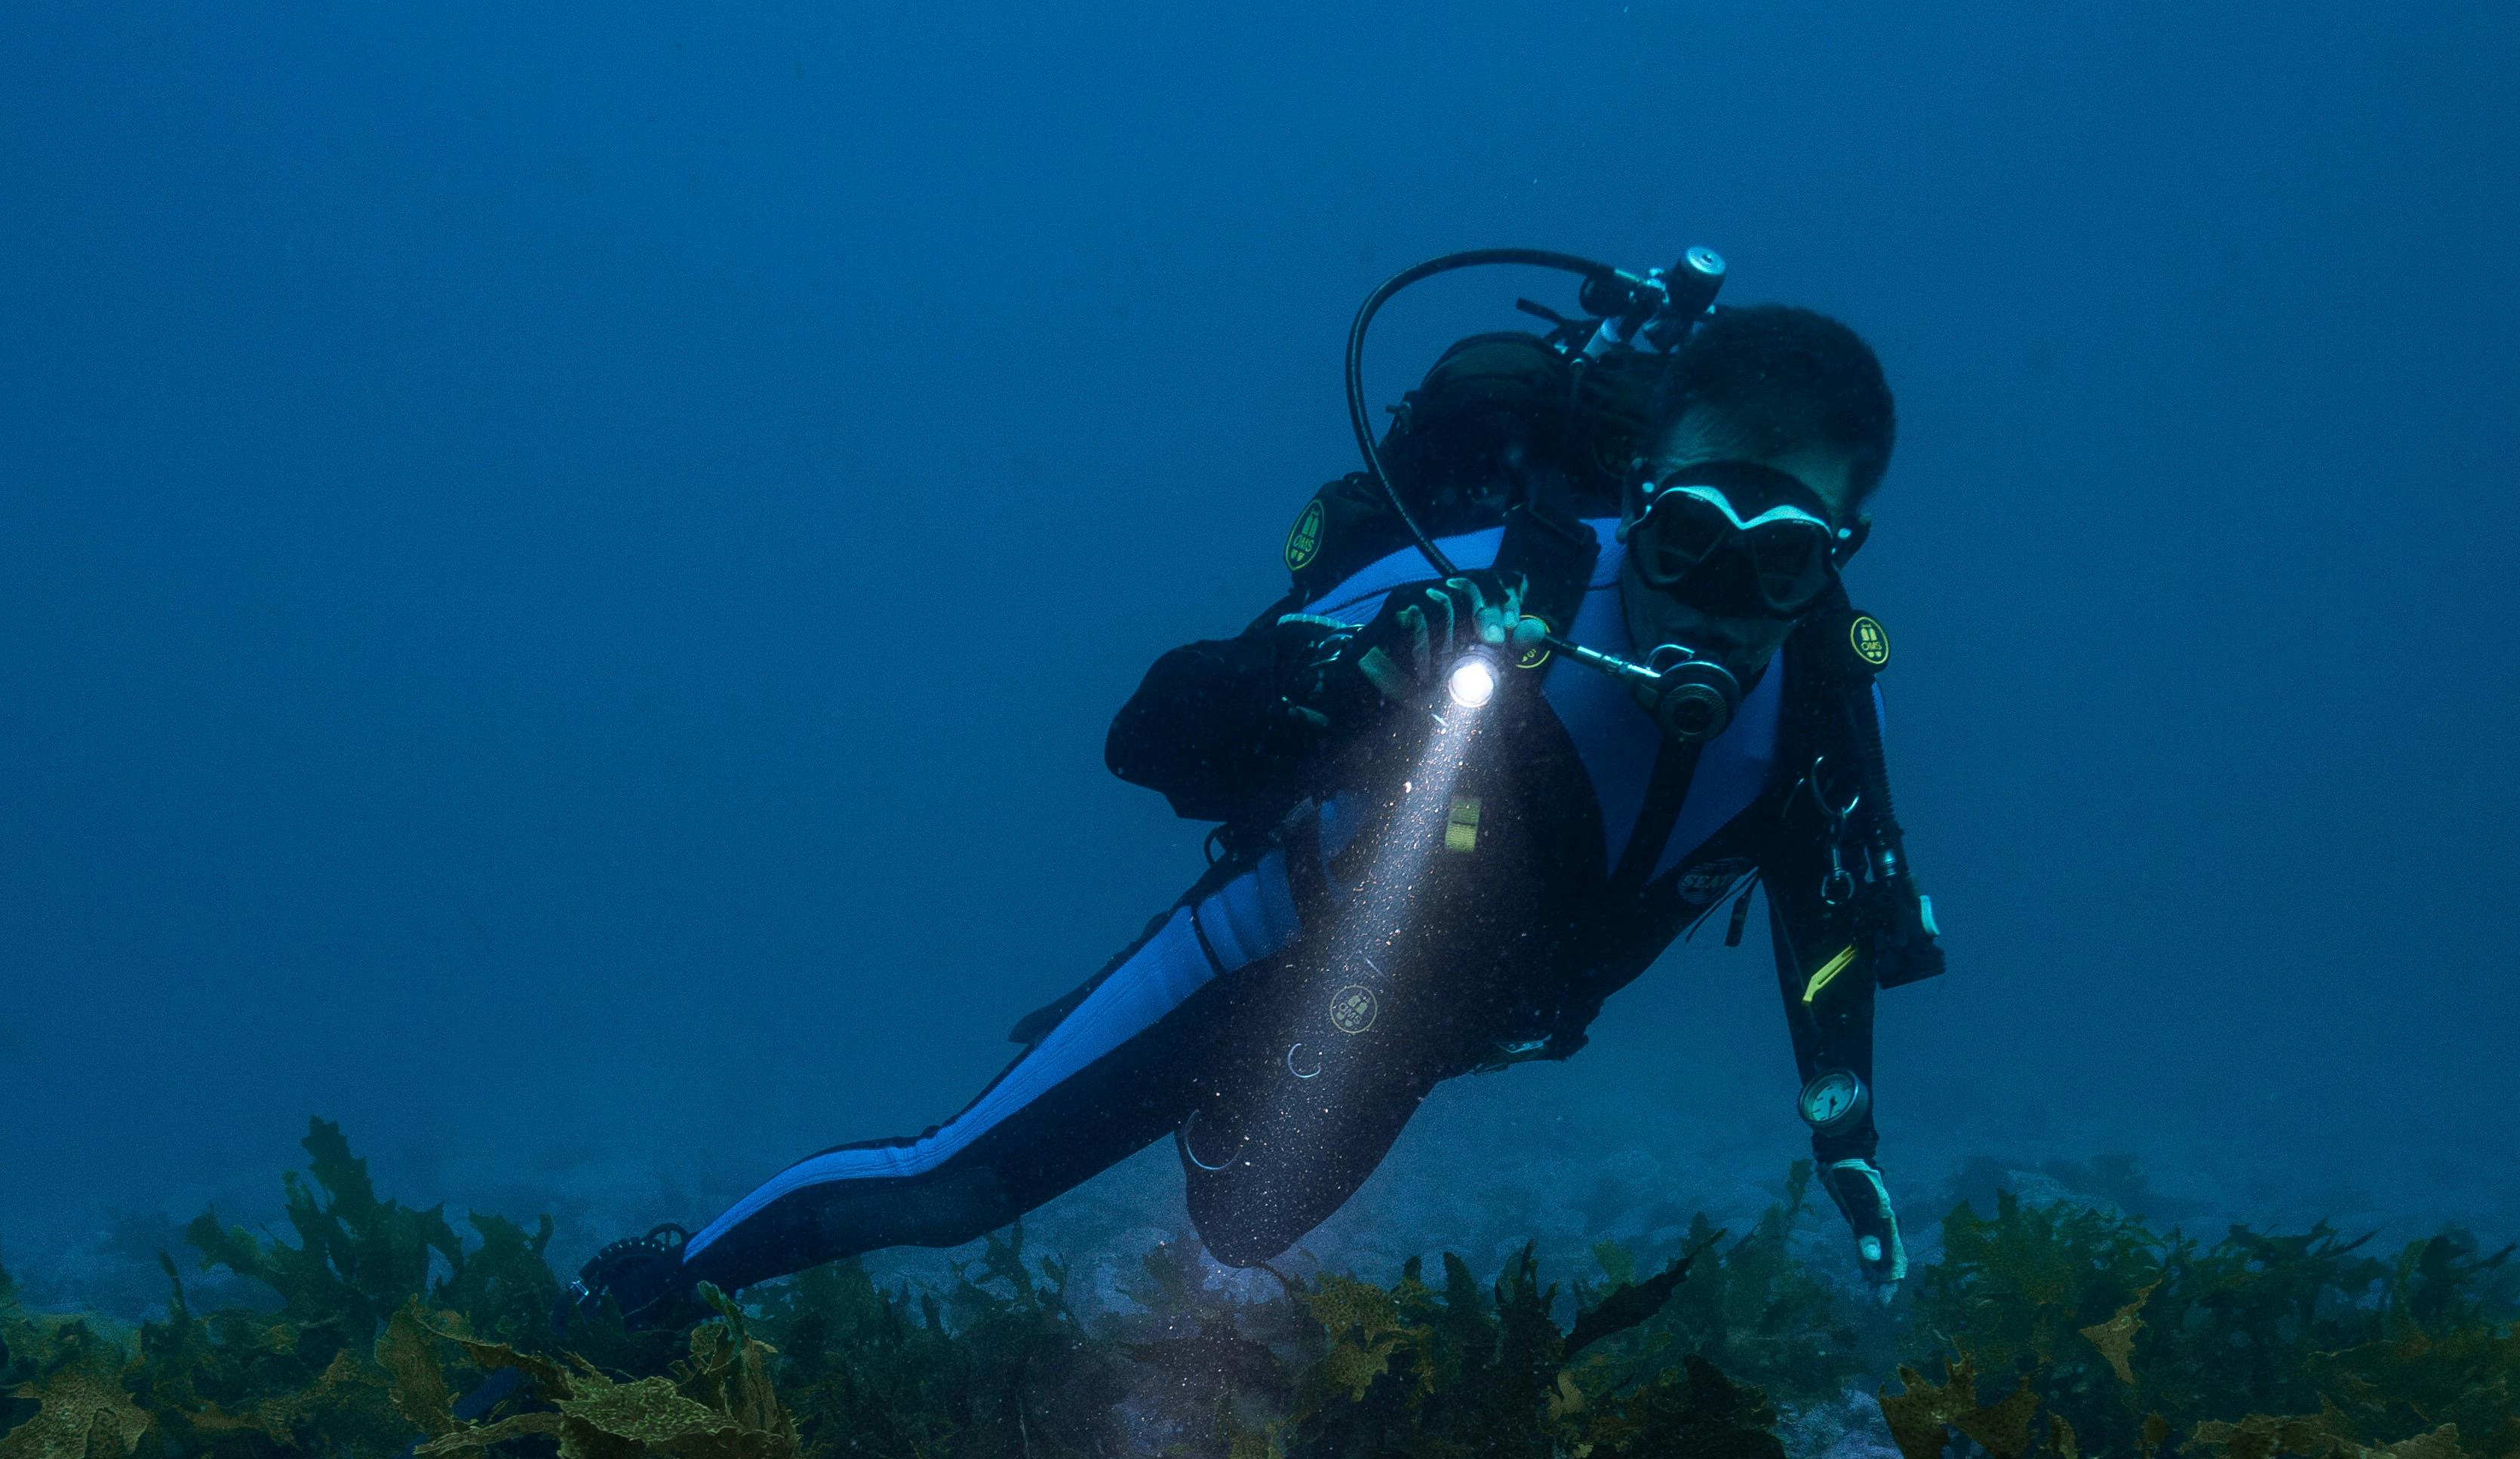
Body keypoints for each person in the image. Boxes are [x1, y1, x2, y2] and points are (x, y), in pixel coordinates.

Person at [577, 292, 1942, 1325]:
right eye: (1689, 538)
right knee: (949, 1191)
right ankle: (643, 1302)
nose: (1712, 601)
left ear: (1841, 557)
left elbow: (1827, 899)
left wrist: (1844, 1122)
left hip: (1430, 1024)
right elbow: (1148, 736)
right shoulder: (1492, 585)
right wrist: (1339, 674)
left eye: (1779, 566)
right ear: (1640, 495)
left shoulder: (1825, 701)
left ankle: (1181, 1092)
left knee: (1238, 1229)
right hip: (1261, 953)